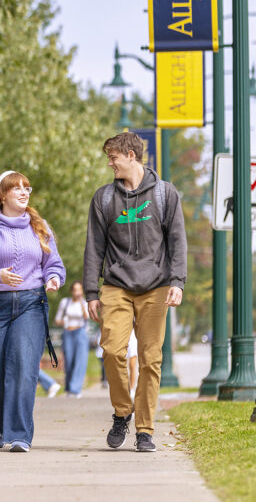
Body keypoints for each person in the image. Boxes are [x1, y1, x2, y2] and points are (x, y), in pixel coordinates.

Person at [83, 132, 186, 453]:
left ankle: (144, 429)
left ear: (131, 155)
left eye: (113, 157)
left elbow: (178, 241)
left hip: (156, 287)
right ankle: (122, 412)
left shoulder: (165, 195)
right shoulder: (103, 199)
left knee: (150, 359)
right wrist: (90, 291)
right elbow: (94, 247)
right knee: (112, 351)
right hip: (116, 285)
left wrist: (177, 282)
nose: (110, 163)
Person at [0, 170, 65, 452]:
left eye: (27, 188)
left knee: (23, 368)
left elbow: (53, 263)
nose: (23, 193)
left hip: (31, 304)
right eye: (16, 188)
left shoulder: (40, 226)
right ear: (2, 195)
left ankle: (20, 434)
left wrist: (54, 278)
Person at [55, 281, 90, 397]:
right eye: (75, 290)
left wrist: (81, 302)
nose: (77, 292)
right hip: (68, 333)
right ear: (72, 291)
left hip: (80, 332)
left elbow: (87, 317)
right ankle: (69, 388)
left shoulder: (84, 303)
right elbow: (57, 320)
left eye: (79, 290)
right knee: (69, 361)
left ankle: (76, 389)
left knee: (80, 361)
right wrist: (64, 322)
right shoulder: (65, 302)